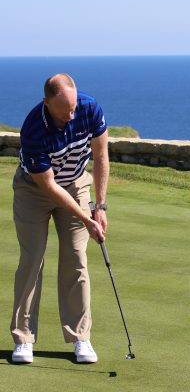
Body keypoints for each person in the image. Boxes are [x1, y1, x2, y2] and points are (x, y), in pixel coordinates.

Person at [11, 73, 109, 364]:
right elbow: (49, 187)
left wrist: (100, 207)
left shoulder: (89, 109)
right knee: (32, 259)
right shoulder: (33, 129)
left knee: (76, 258)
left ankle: (80, 338)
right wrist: (87, 219)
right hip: (35, 190)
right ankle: (24, 339)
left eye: (74, 105)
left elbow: (101, 156)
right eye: (65, 109)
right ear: (47, 103)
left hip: (76, 183)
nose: (72, 113)